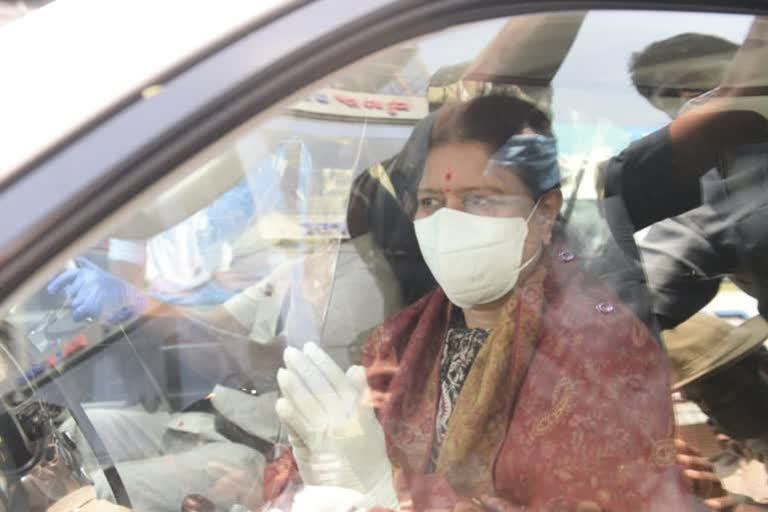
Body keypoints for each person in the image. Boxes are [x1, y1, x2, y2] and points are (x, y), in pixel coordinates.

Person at [267, 94, 699, 511]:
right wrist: (315, 477)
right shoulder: (398, 340)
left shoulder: (603, 350)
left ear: (546, 211)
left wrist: (385, 489)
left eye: (480, 200)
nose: (450, 221)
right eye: (431, 202)